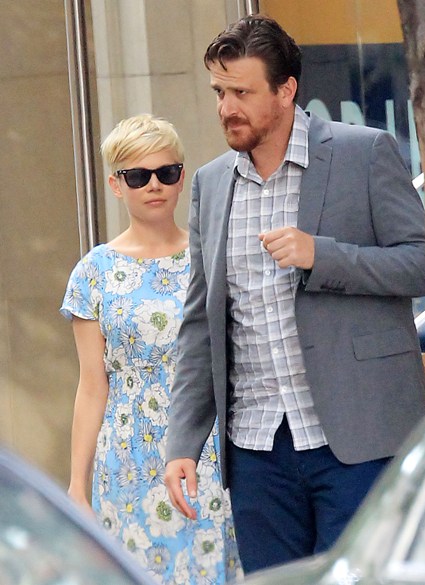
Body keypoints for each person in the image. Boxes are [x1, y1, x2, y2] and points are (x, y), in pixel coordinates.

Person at [164, 14, 425, 575]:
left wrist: (323, 256)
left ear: (286, 91)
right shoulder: (211, 184)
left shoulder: (365, 153)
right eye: (219, 92)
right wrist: (183, 443)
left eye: (242, 93)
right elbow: (200, 325)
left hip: (360, 440)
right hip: (257, 452)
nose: (226, 108)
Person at [60, 114, 242, 584]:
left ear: (182, 178)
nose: (154, 185)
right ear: (116, 185)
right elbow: (91, 386)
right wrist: (77, 484)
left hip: (208, 449)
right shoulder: (94, 272)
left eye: (167, 172)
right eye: (138, 176)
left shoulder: (212, 255)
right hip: (126, 460)